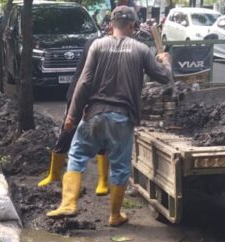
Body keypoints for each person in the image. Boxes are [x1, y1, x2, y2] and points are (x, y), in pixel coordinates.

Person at [47, 6, 172, 227]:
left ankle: (68, 203)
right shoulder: (141, 49)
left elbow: (84, 83)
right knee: (120, 167)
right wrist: (165, 61)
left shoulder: (98, 45)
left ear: (111, 24)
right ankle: (114, 215)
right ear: (133, 26)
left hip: (94, 114)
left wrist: (72, 115)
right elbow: (165, 78)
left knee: (77, 155)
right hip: (123, 118)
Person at [38, 35, 110, 196]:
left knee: (101, 133)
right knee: (67, 130)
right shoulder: (95, 44)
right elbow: (85, 79)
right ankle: (54, 174)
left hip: (102, 96)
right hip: (80, 92)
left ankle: (103, 181)